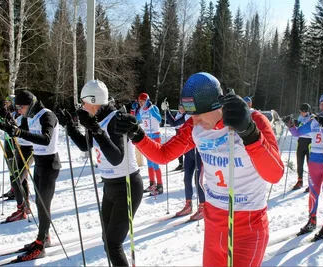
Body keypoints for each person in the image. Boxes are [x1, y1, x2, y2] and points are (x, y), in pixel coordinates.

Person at [114, 72, 284, 266]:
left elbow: (275, 174)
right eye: (190, 115)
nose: (194, 121)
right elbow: (164, 155)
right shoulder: (196, 125)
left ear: (217, 104)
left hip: (247, 228)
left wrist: (249, 132)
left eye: (198, 115)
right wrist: (137, 134)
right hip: (213, 226)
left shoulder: (254, 120)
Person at [57, 80, 143, 267]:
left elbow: (116, 157)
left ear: (93, 101)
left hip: (127, 186)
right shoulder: (98, 119)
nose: (81, 106)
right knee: (107, 240)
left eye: (83, 102)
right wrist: (70, 127)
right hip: (110, 187)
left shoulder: (115, 118)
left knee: (113, 244)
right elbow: (84, 145)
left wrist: (95, 129)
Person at [0, 90, 61, 261]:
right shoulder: (31, 116)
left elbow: (45, 138)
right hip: (40, 162)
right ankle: (44, 238)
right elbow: (20, 131)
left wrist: (18, 132)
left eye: (20, 107)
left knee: (44, 204)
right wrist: (1, 125)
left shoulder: (47, 115)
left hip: (50, 164)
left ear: (30, 104)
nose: (19, 110)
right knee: (39, 202)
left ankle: (41, 244)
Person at [285, 93, 323, 240]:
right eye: (322, 104)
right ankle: (312, 220)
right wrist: (291, 125)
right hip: (315, 161)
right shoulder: (313, 121)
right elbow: (298, 133)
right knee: (313, 192)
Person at [0, 96, 34, 222]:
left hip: (27, 148)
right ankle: (24, 206)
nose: (6, 104)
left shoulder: (24, 115)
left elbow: (17, 128)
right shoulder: (15, 114)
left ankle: (23, 208)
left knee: (18, 179)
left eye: (9, 102)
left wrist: (6, 120)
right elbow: (11, 126)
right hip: (17, 146)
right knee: (16, 178)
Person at [162, 100, 205, 220]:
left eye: (184, 107)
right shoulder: (183, 116)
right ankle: (188, 205)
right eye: (181, 106)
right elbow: (174, 123)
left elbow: (175, 123)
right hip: (188, 152)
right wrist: (167, 112)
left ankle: (202, 206)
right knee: (187, 178)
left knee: (198, 180)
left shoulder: (193, 116)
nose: (182, 109)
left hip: (197, 151)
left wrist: (167, 112)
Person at [132, 93, 163, 195]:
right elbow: (135, 119)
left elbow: (159, 120)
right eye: (139, 102)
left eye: (142, 102)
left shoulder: (153, 108)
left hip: (155, 135)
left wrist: (155, 113)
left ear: (147, 100)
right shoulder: (141, 110)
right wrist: (134, 110)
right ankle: (152, 183)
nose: (141, 104)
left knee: (155, 162)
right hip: (147, 136)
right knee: (149, 162)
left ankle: (159, 185)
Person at [290, 103, 314, 192]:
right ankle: (300, 181)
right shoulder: (300, 117)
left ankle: (311, 183)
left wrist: (300, 124)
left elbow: (307, 126)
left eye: (305, 112)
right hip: (301, 141)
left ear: (308, 111)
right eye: (301, 112)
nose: (303, 114)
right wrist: (294, 123)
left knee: (310, 164)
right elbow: (298, 128)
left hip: (310, 141)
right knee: (299, 162)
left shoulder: (312, 117)